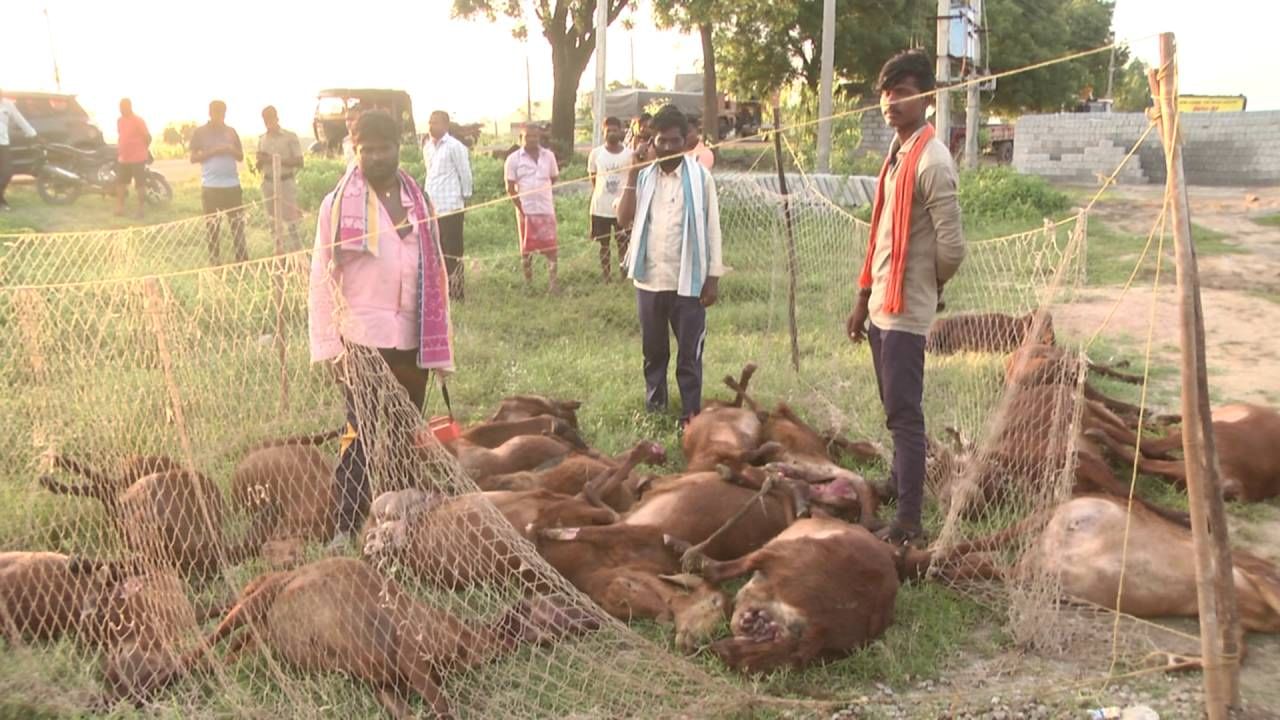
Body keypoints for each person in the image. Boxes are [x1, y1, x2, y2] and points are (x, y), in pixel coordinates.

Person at [309, 109, 454, 547]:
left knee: (406, 429)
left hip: (411, 337)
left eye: (383, 147)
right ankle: (345, 525)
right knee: (359, 432)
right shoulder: (336, 206)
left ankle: (403, 518)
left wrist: (441, 342)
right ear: (354, 150)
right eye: (365, 148)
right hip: (362, 341)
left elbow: (436, 269)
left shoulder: (419, 200)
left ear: (399, 148)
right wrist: (331, 348)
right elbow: (321, 276)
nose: (374, 156)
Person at [845, 49, 966, 546]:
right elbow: (882, 239)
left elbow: (952, 247)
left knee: (905, 414)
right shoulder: (897, 154)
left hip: (907, 311)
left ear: (928, 98)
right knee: (893, 407)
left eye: (902, 92)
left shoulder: (933, 160)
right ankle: (898, 483)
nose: (891, 102)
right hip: (880, 307)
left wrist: (930, 286)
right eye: (885, 93)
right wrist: (861, 301)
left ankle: (910, 521)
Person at [618, 104, 725, 430]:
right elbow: (623, 218)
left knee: (689, 354)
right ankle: (655, 406)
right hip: (650, 281)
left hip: (688, 282)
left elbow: (712, 229)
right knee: (654, 352)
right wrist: (633, 172)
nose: (666, 148)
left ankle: (690, 414)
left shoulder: (700, 178)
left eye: (673, 141)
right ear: (651, 142)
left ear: (685, 142)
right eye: (660, 141)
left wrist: (712, 280)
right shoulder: (645, 176)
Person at [422, 110, 473, 300]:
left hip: (451, 206)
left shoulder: (455, 146)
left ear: (445, 125)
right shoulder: (427, 147)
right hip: (433, 207)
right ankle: (442, 291)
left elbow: (465, 173)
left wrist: (466, 197)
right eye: (429, 122)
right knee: (437, 250)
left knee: (453, 251)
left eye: (435, 122)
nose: (431, 126)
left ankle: (457, 292)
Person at [504, 122, 560, 293]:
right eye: (528, 136)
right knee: (526, 250)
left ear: (540, 137)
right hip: (525, 210)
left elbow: (554, 178)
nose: (532, 139)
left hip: (545, 209)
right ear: (521, 138)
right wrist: (521, 209)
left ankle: (553, 284)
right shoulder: (513, 159)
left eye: (535, 136)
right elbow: (510, 188)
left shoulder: (548, 156)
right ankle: (529, 284)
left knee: (551, 248)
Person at [189, 100, 247, 263]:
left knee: (237, 225)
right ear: (210, 113)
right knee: (212, 226)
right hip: (211, 186)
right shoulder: (200, 132)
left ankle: (242, 260)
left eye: (222, 113)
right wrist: (213, 151)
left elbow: (241, 156)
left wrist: (230, 149)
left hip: (232, 186)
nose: (219, 117)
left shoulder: (231, 131)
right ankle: (215, 260)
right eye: (216, 113)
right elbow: (193, 158)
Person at [586, 116, 630, 281]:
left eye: (615, 130)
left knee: (623, 243)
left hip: (622, 208)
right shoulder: (596, 154)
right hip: (600, 208)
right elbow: (593, 178)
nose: (612, 133)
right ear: (603, 132)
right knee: (603, 245)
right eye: (608, 130)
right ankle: (606, 276)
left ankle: (624, 275)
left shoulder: (629, 153)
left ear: (621, 132)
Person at [257, 105, 305, 251]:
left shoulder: (289, 137)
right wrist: (260, 160)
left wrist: (273, 159)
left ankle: (298, 255)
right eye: (265, 119)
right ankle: (280, 254)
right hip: (268, 182)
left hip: (285, 182)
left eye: (270, 118)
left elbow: (299, 161)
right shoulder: (262, 139)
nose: (268, 122)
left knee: (291, 222)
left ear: (276, 118)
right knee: (273, 222)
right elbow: (260, 162)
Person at [0, 89, 38, 211]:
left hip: (3, 143)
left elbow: (19, 119)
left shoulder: (8, 105)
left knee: (7, 173)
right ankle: (1, 202)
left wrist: (32, 133)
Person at [113, 99, 151, 219]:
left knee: (140, 184)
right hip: (124, 158)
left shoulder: (138, 120)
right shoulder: (119, 121)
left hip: (138, 157)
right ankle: (120, 207)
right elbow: (121, 135)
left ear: (130, 107)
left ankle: (140, 210)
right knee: (120, 183)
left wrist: (141, 149)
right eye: (120, 107)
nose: (121, 109)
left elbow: (147, 137)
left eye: (124, 107)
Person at [341, 103, 364, 167]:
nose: (348, 123)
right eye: (346, 120)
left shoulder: (365, 141)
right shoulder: (345, 141)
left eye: (352, 119)